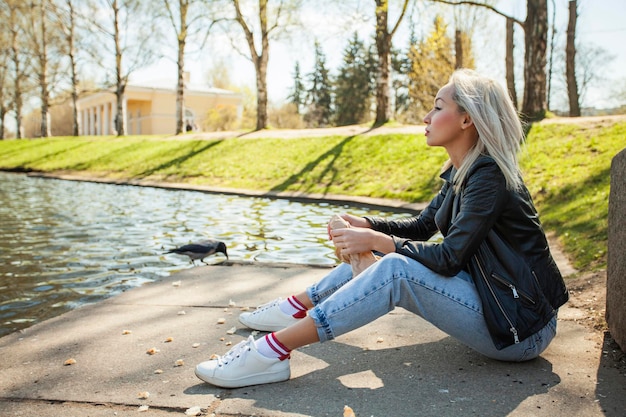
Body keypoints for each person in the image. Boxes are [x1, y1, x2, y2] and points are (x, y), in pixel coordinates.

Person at [194, 69, 569, 389]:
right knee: (386, 255)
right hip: (497, 306)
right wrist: (365, 225)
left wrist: (376, 241)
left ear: (466, 119)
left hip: (520, 328)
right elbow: (422, 227)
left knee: (394, 268)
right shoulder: (463, 171)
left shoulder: (489, 177)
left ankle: (272, 352)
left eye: (437, 108)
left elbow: (450, 257)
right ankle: (298, 307)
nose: (426, 116)